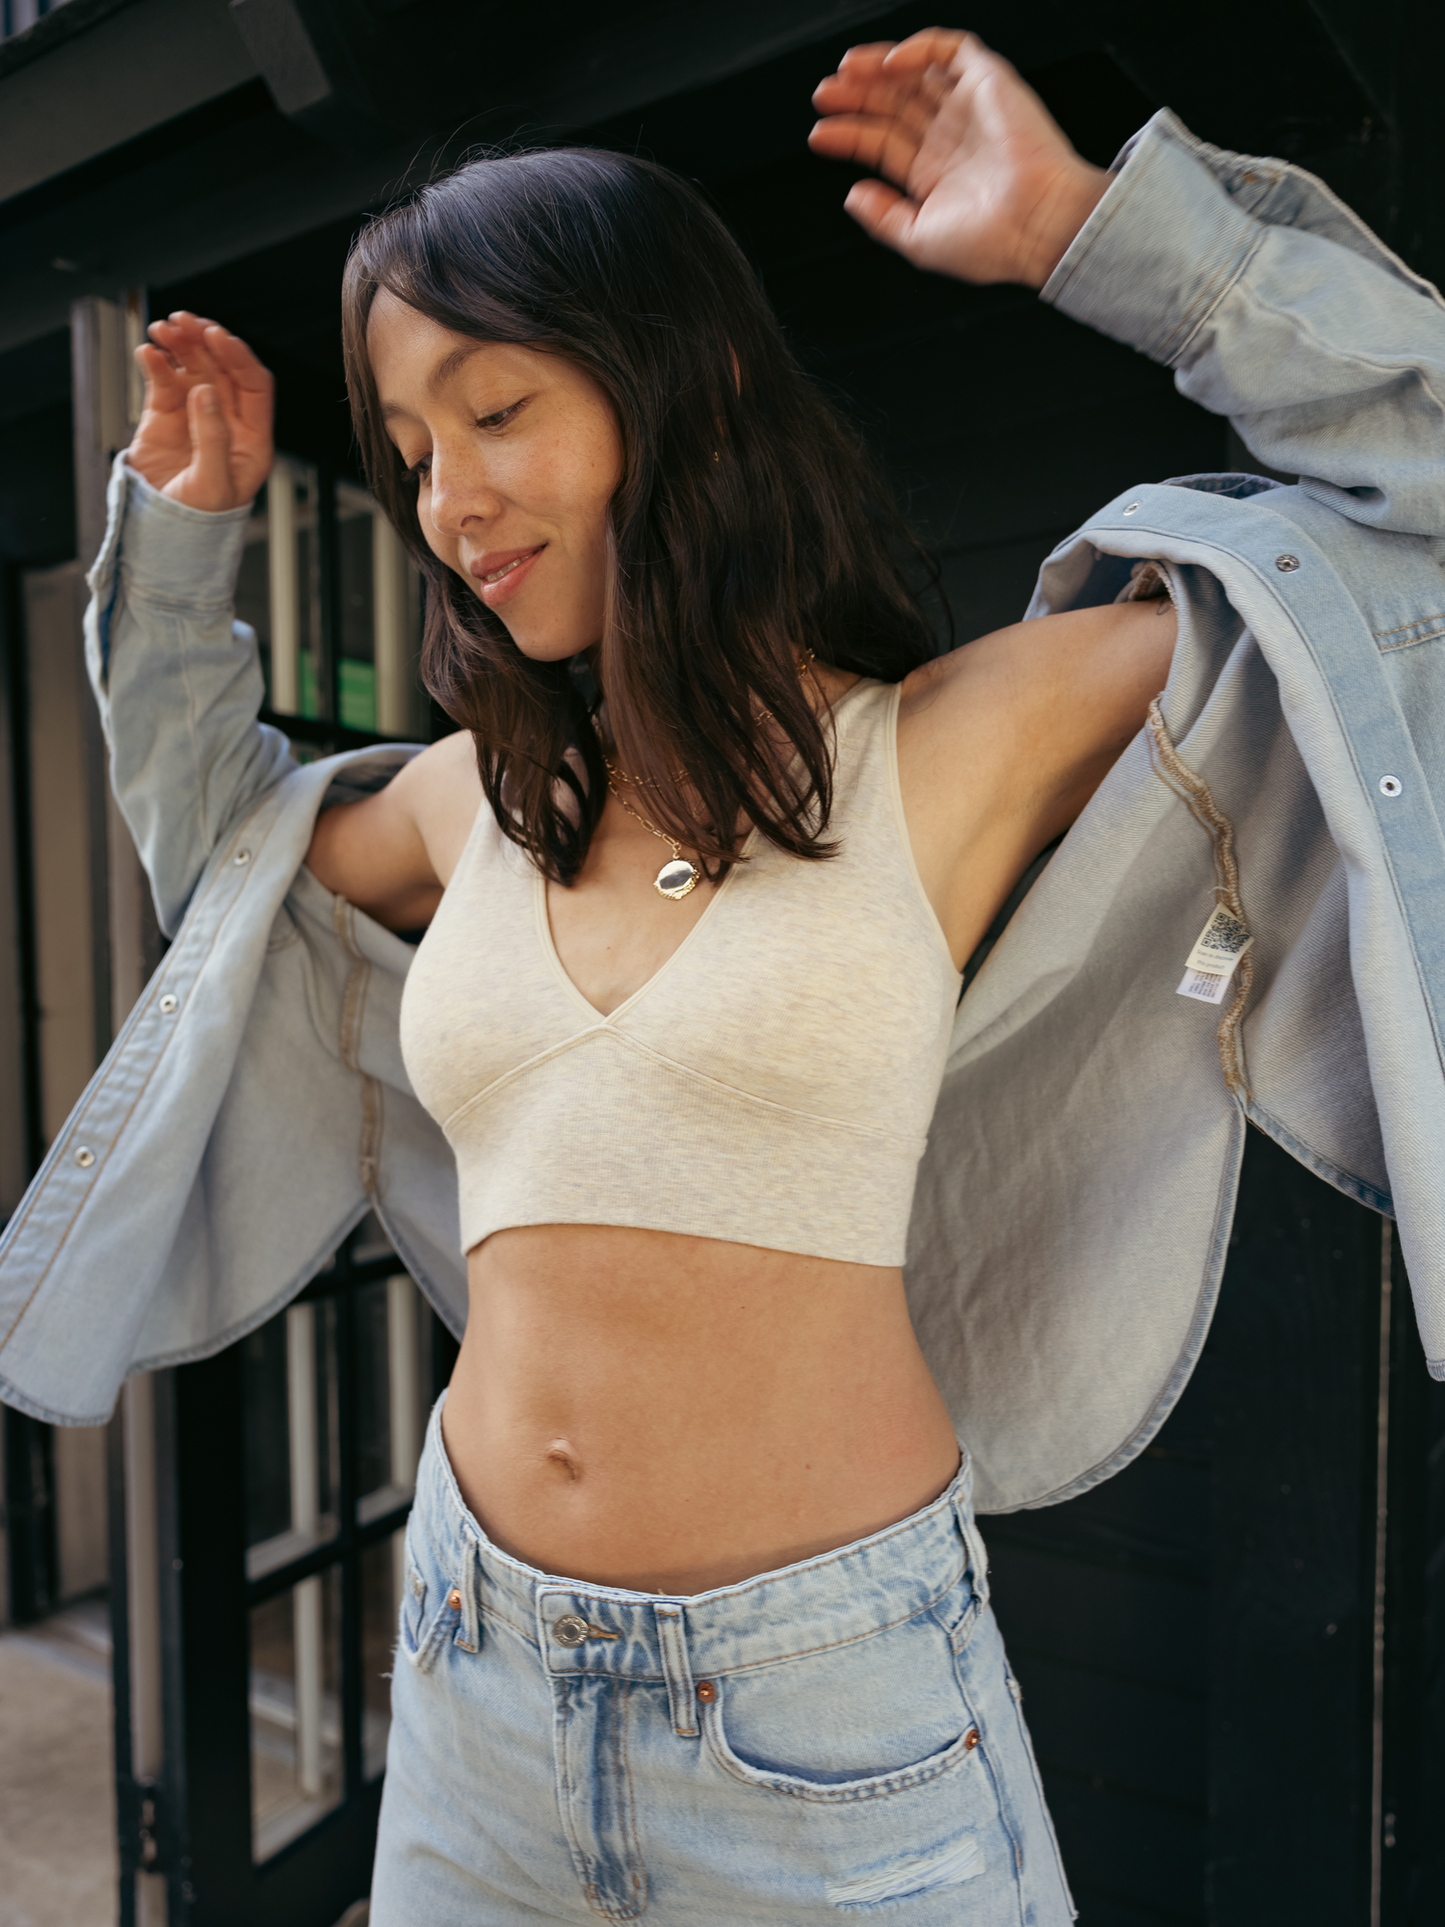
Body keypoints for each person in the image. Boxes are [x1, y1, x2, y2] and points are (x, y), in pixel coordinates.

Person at [6, 24, 1445, 1924]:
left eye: (496, 409)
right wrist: (181, 560)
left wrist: (1102, 229)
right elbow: (228, 870)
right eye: (413, 447)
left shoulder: (948, 749)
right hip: (471, 1670)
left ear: (683, 386)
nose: (445, 499)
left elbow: (1416, 515)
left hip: (831, 1718)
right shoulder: (470, 807)